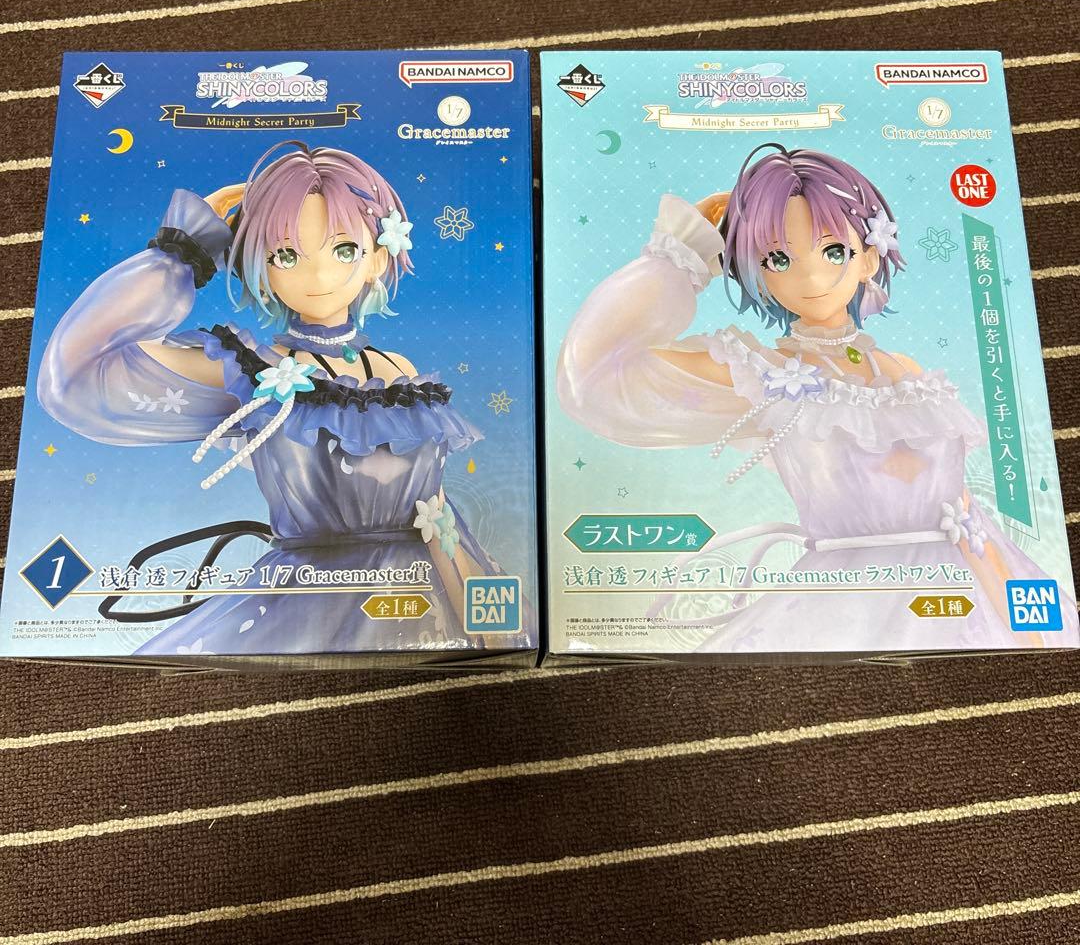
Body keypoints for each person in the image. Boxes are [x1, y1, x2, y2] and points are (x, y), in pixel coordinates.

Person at [557, 144, 1050, 652]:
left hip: (960, 599)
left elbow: (966, 518)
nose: (810, 276)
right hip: (841, 602)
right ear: (757, 271)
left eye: (833, 251)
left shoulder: (911, 375)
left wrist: (1030, 630)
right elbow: (595, 373)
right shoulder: (763, 375)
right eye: (778, 258)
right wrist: (679, 254)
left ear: (869, 257)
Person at [39, 141, 505, 656]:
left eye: (343, 250)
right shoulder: (254, 370)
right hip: (311, 600)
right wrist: (183, 251)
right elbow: (78, 367)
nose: (318, 275)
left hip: (422, 599)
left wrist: (482, 617)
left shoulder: (403, 374)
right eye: (286, 255)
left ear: (377, 258)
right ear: (259, 266)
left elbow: (436, 513)